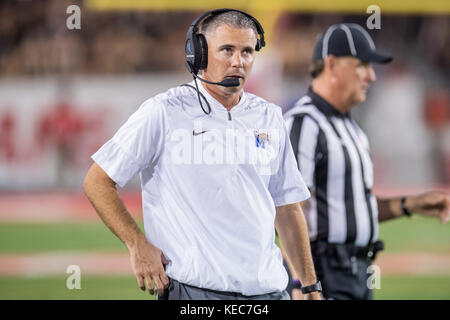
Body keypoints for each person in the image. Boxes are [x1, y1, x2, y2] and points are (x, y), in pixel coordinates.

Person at [83, 9, 322, 300]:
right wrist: (137, 244)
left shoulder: (270, 117)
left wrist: (309, 286)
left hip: (269, 292)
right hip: (194, 293)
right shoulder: (164, 111)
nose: (238, 61)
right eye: (227, 50)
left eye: (247, 51)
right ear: (198, 53)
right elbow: (98, 180)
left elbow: (287, 207)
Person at [284, 23, 450, 300]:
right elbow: (290, 210)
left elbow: (353, 208)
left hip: (359, 270)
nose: (372, 76)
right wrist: (303, 282)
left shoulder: (352, 129)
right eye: (362, 65)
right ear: (332, 64)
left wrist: (410, 205)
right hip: (324, 271)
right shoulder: (303, 124)